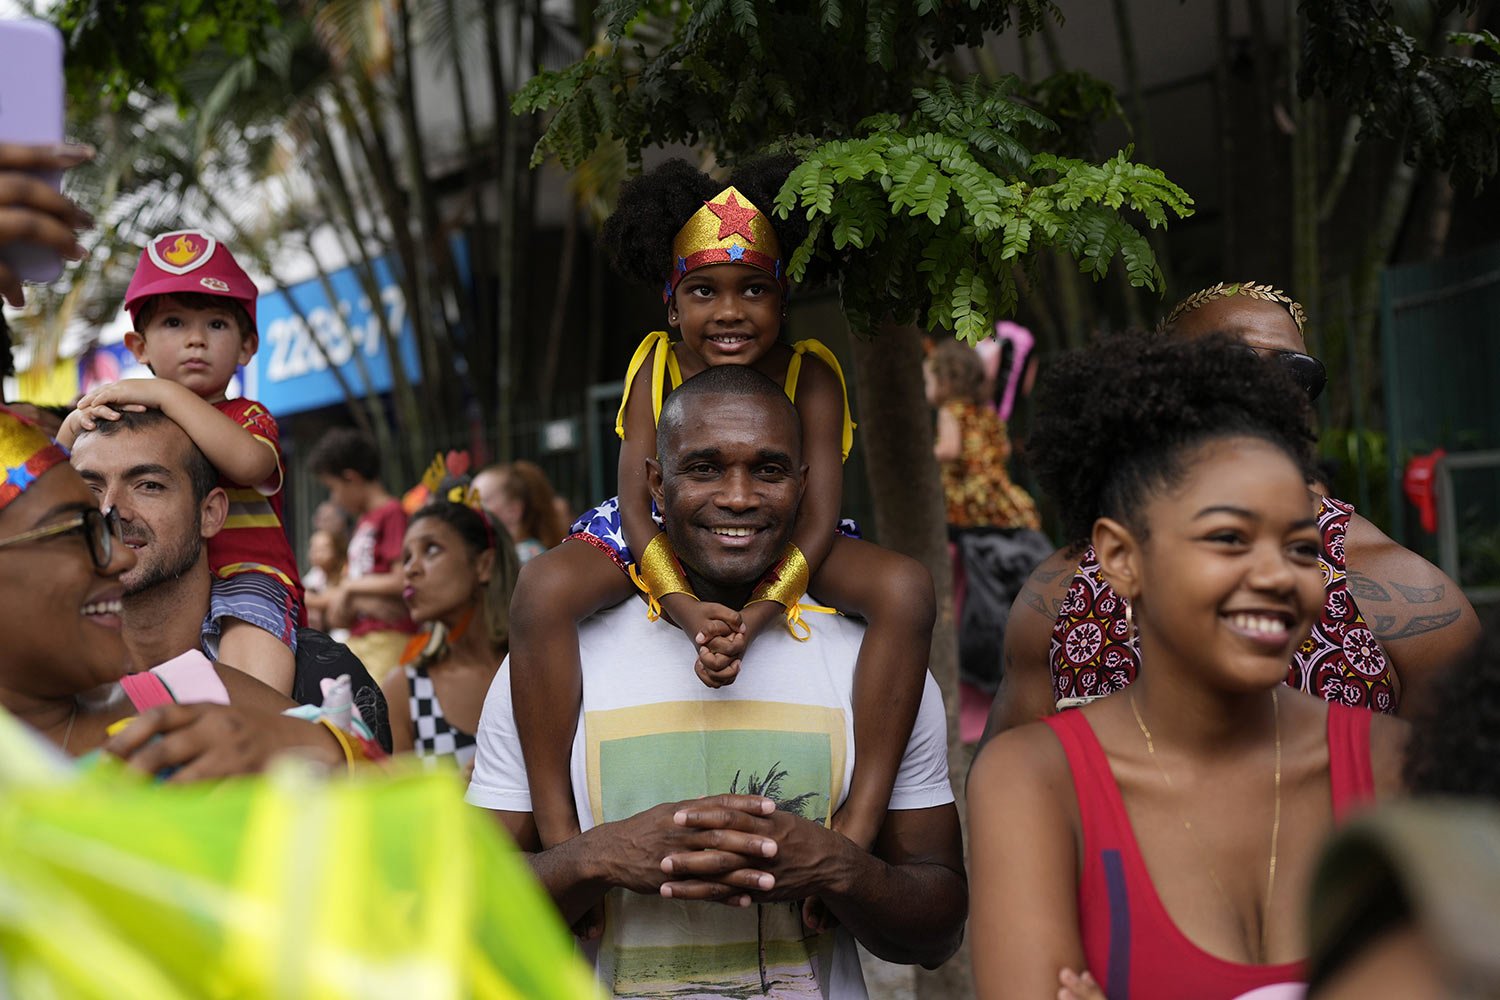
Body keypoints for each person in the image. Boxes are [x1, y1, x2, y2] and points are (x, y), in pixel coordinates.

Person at [468, 365, 965, 995]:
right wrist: (598, 858)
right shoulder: (552, 664)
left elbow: (940, 930)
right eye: (703, 468)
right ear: (655, 481)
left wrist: (840, 869)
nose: (737, 496)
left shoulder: (875, 665)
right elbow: (469, 914)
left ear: (804, 485)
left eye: (768, 470)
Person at [508, 158, 935, 861]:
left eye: (754, 291)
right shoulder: (653, 363)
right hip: (655, 530)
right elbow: (635, 504)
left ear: (784, 298)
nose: (730, 311)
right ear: (672, 305)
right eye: (704, 291)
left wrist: (755, 618)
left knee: (906, 590)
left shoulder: (814, 374)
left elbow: (820, 517)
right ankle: (560, 834)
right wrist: (684, 608)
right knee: (541, 589)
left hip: (790, 533)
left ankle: (857, 825)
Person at [967, 331, 1407, 1000]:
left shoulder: (1392, 764)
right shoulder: (1035, 783)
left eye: (1299, 548)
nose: (1277, 577)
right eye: (1228, 538)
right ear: (1120, 556)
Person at [983, 281, 1480, 742]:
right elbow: (1008, 797)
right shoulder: (1064, 594)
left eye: (1295, 373)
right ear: (1151, 387)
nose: (1264, 392)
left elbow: (1447, 816)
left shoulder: (1409, 597)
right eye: (1230, 365)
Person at [0, 403, 357, 775]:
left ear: (210, 513)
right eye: (83, 510)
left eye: (149, 486)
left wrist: (310, 744)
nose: (111, 516)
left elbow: (389, 793)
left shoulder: (237, 686)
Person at [56, 231, 305, 697]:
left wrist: (164, 392)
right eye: (173, 323)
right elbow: (59, 477)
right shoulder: (138, 420)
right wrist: (74, 426)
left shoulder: (246, 416)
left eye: (216, 324)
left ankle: (251, 726)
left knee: (250, 629)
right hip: (164, 589)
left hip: (247, 576)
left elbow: (250, 464)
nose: (195, 340)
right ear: (138, 347)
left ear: (248, 346)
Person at [68, 408, 391, 754]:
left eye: (149, 485)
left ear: (210, 514)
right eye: (90, 489)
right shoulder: (48, 685)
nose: (111, 509)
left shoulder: (322, 678)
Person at [926, 337, 1051, 739]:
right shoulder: (988, 414)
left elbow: (949, 450)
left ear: (945, 381)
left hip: (965, 508)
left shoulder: (950, 412)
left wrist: (924, 453)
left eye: (928, 379)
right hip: (999, 503)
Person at [383, 459, 520, 768]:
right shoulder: (404, 690)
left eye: (431, 549)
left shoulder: (533, 669)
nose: (410, 569)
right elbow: (400, 807)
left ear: (484, 565)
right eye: (406, 557)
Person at [308, 428, 417, 683]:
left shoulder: (391, 513)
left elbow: (402, 577)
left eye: (332, 488)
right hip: (363, 638)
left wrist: (349, 589)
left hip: (388, 638)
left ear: (351, 478)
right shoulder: (364, 522)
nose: (334, 499)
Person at [472, 460, 566, 564]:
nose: (472, 508)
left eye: (481, 501)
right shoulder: (516, 554)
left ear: (513, 511)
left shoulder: (524, 558)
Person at [303, 525, 349, 638]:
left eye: (323, 549)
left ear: (337, 550)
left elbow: (319, 600)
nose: (316, 553)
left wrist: (313, 599)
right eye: (313, 548)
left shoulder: (346, 570)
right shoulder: (316, 573)